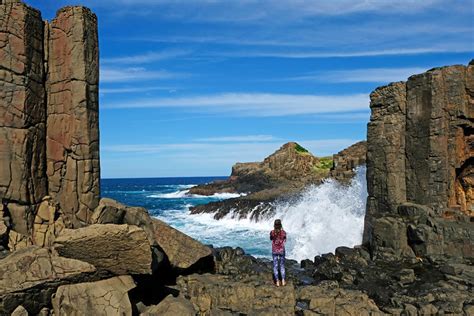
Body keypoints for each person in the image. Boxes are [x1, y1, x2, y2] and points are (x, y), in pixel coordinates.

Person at [270, 219, 286, 286]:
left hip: (274, 250)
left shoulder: (272, 232)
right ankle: (283, 280)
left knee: (275, 266)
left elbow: (271, 239)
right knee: (282, 266)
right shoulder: (283, 232)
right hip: (281, 250)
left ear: (274, 225)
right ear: (280, 225)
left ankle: (277, 282)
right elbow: (284, 239)